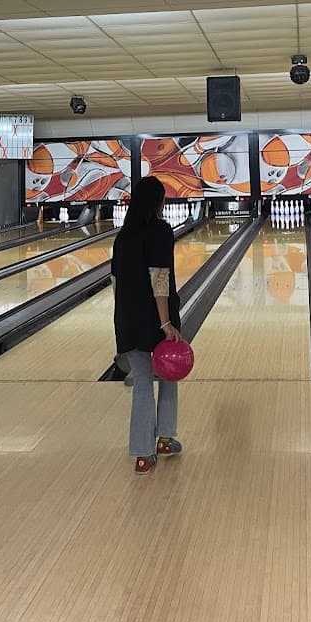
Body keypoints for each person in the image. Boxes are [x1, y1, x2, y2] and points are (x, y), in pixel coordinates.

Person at [111, 176, 184, 474]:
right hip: (156, 317)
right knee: (169, 374)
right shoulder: (160, 231)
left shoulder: (122, 237)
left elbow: (115, 282)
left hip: (128, 317)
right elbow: (159, 278)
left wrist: (123, 318)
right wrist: (165, 323)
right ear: (159, 203)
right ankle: (164, 438)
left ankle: (143, 455)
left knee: (142, 383)